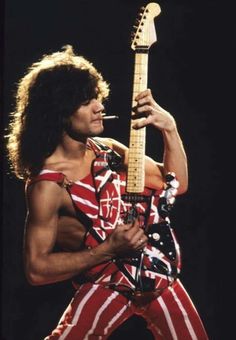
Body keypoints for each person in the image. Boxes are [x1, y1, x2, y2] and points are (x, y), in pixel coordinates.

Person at [6, 45, 208, 339]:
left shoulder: (108, 150)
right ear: (59, 112)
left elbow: (175, 183)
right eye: (86, 101)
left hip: (154, 271)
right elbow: (36, 269)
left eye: (97, 97)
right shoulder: (48, 184)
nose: (99, 106)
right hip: (104, 282)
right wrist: (108, 250)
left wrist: (170, 129)